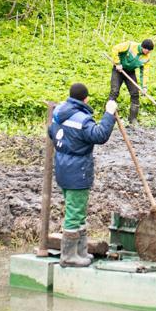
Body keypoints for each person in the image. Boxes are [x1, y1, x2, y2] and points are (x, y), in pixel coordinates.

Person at [48, 83, 117, 267]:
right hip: (78, 171)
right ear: (85, 99)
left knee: (77, 212)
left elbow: (51, 133)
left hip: (63, 168)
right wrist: (109, 114)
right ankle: (69, 256)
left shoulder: (59, 113)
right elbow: (100, 135)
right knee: (75, 213)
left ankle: (81, 252)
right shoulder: (81, 120)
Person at [109, 38, 153, 124]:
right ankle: (108, 116)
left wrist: (144, 86)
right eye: (147, 50)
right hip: (118, 70)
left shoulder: (146, 58)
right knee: (114, 92)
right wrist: (118, 63)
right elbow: (115, 49)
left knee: (135, 93)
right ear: (143, 47)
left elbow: (144, 72)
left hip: (130, 72)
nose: (148, 52)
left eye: (150, 51)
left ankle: (133, 120)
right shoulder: (130, 45)